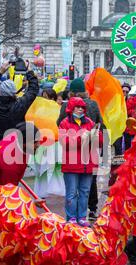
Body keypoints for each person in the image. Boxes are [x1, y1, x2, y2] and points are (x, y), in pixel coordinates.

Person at [57, 78, 103, 221]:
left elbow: (100, 139)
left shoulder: (88, 122)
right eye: (77, 107)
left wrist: (96, 135)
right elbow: (64, 140)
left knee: (84, 191)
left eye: (82, 108)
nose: (80, 110)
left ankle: (82, 216)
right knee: (73, 192)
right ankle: (74, 216)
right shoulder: (66, 123)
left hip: (87, 163)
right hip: (72, 163)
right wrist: (83, 138)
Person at [0, 122, 42, 197]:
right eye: (35, 142)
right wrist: (30, 202)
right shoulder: (11, 163)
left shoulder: (15, 136)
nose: (38, 145)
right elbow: (9, 195)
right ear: (23, 143)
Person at [0, 61, 39, 148]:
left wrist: (0, 71)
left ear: (0, 91)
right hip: (14, 145)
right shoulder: (20, 105)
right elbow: (33, 90)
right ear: (14, 92)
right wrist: (29, 71)